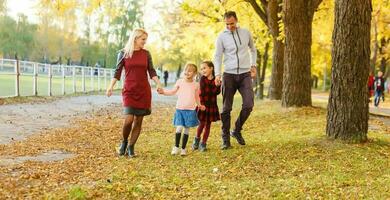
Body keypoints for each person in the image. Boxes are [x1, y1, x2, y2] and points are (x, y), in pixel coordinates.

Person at [106, 28, 163, 158]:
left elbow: (152, 71)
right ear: (135, 38)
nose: (144, 42)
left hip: (143, 91)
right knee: (129, 119)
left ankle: (131, 147)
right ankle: (124, 142)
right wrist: (110, 86)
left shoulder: (146, 54)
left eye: (145, 40)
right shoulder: (123, 53)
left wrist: (158, 84)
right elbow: (117, 72)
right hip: (129, 91)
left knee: (138, 121)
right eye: (143, 39)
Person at [213, 11, 257, 149]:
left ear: (236, 21)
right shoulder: (221, 37)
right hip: (229, 74)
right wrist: (217, 74)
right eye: (227, 24)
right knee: (226, 108)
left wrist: (253, 65)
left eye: (232, 23)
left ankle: (236, 130)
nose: (230, 26)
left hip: (245, 74)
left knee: (249, 104)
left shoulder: (245, 33)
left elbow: (253, 49)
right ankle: (225, 139)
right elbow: (217, 56)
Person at [158, 63, 205, 156]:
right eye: (186, 70)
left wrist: (199, 105)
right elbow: (172, 92)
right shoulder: (180, 82)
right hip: (180, 109)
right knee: (179, 128)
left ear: (195, 73)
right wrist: (163, 92)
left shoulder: (196, 85)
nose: (187, 72)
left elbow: (196, 97)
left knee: (186, 130)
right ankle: (176, 147)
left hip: (190, 110)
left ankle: (183, 149)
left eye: (190, 71)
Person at [192, 61, 221, 152]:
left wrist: (217, 86)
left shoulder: (216, 80)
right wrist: (201, 105)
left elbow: (216, 93)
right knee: (201, 124)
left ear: (211, 68)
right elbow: (204, 92)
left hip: (212, 106)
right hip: (203, 105)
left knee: (208, 125)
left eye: (204, 68)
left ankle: (203, 143)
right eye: (201, 69)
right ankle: (197, 139)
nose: (202, 70)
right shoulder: (202, 79)